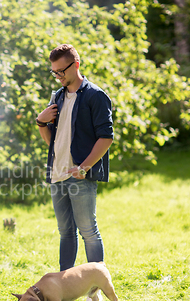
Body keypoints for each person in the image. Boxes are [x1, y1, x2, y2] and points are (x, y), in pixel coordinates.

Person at [36, 44, 113, 279]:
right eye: (54, 72)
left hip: (80, 175)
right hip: (57, 175)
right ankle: (63, 286)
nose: (58, 76)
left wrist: (84, 167)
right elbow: (54, 141)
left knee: (88, 232)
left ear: (76, 65)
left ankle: (97, 289)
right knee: (65, 233)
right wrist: (40, 123)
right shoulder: (57, 96)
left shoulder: (95, 96)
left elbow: (106, 137)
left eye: (62, 71)